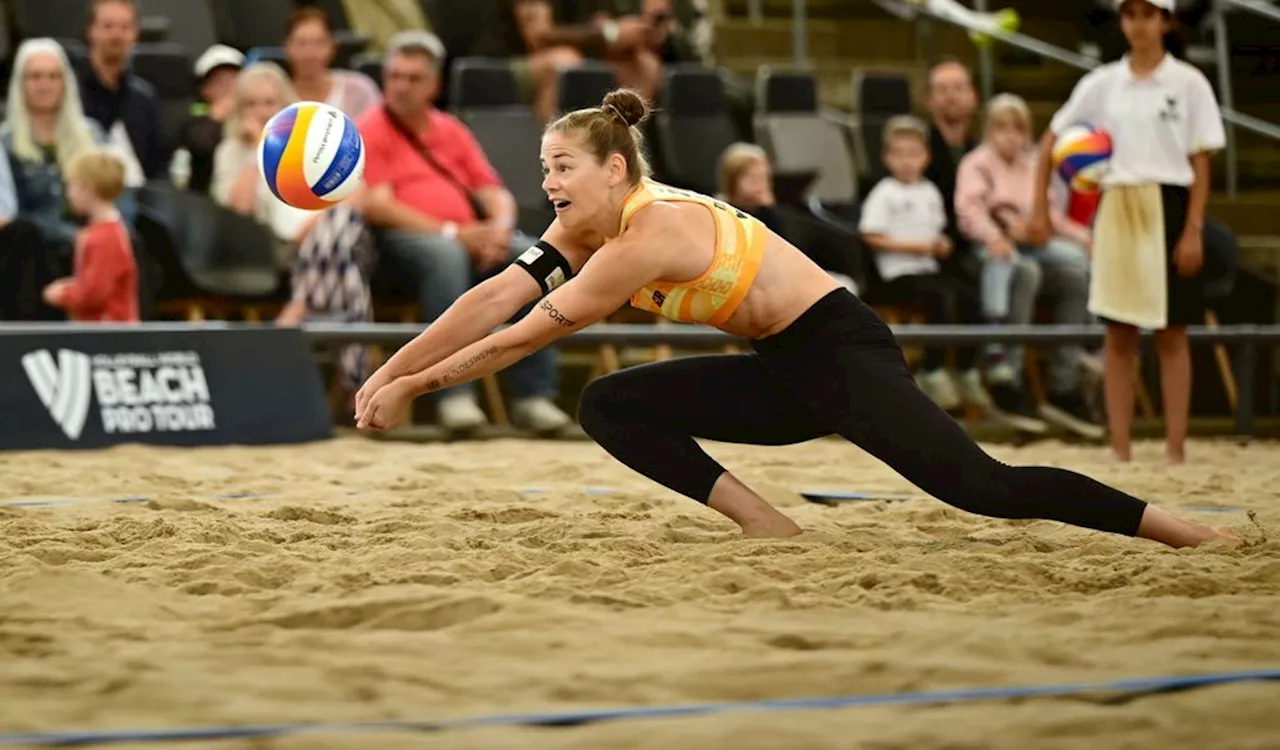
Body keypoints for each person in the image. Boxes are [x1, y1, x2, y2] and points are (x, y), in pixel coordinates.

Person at [354, 87, 1235, 550]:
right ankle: (766, 524)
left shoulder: (645, 234)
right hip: (780, 367)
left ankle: (1185, 530)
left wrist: (417, 391)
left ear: (615, 170)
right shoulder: (582, 226)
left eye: (561, 167)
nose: (547, 182)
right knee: (612, 405)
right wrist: (388, 371)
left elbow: (525, 334)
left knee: (982, 489)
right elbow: (488, 299)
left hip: (839, 351)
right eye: (544, 166)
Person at [1029, 0, 1224, 465]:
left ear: (1165, 20)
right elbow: (1052, 139)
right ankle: (1121, 448)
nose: (1138, 23)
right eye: (1130, 13)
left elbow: (1201, 160)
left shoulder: (1189, 83)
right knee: (1119, 333)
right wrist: (1040, 205)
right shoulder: (1101, 84)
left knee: (1173, 332)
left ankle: (1175, 448)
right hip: (1116, 203)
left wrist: (1194, 227)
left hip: (1171, 204)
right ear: (1121, 21)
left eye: (1148, 13)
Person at [955, 93, 1101, 438]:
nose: (1010, 135)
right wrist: (996, 235)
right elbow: (969, 211)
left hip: (1033, 243)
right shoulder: (975, 163)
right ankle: (1007, 373)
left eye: (1018, 127)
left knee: (1076, 271)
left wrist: (1085, 238)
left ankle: (1066, 382)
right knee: (1025, 271)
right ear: (988, 129)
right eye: (1001, 127)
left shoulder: (1034, 165)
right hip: (989, 249)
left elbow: (1050, 216)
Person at [859, 115, 992, 413]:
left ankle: (966, 369)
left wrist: (942, 243)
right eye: (899, 154)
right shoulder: (884, 192)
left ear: (926, 157)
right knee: (939, 299)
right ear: (887, 158)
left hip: (929, 270)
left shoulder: (930, 192)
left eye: (914, 154)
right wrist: (916, 248)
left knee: (969, 296)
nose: (907, 161)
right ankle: (932, 370)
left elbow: (938, 232)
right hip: (898, 274)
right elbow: (870, 235)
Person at [41, 148, 138, 323]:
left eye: (72, 185)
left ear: (88, 189)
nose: (69, 194)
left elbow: (94, 294)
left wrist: (62, 294)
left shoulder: (103, 238)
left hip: (108, 333)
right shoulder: (109, 231)